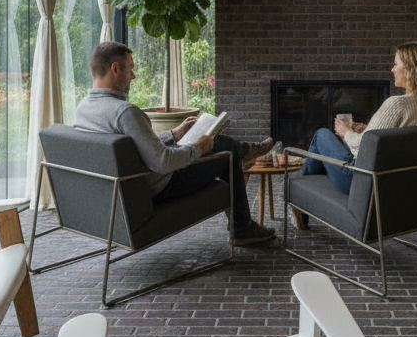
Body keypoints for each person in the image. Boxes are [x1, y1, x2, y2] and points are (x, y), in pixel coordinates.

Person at [74, 41, 275, 246]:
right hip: (161, 185)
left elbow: (134, 145)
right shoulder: (125, 113)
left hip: (121, 192)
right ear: (115, 68)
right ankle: (241, 224)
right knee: (225, 150)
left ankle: (240, 204)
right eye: (131, 68)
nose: (133, 76)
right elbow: (163, 162)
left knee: (221, 148)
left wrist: (174, 133)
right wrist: (199, 148)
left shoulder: (83, 109)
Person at [300, 40, 417, 199]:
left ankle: (301, 192)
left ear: (410, 69)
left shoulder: (396, 104)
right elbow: (396, 138)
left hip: (361, 179)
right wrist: (367, 129)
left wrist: (346, 132)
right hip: (402, 179)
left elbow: (364, 146)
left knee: (322, 135)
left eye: (395, 64)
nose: (392, 69)